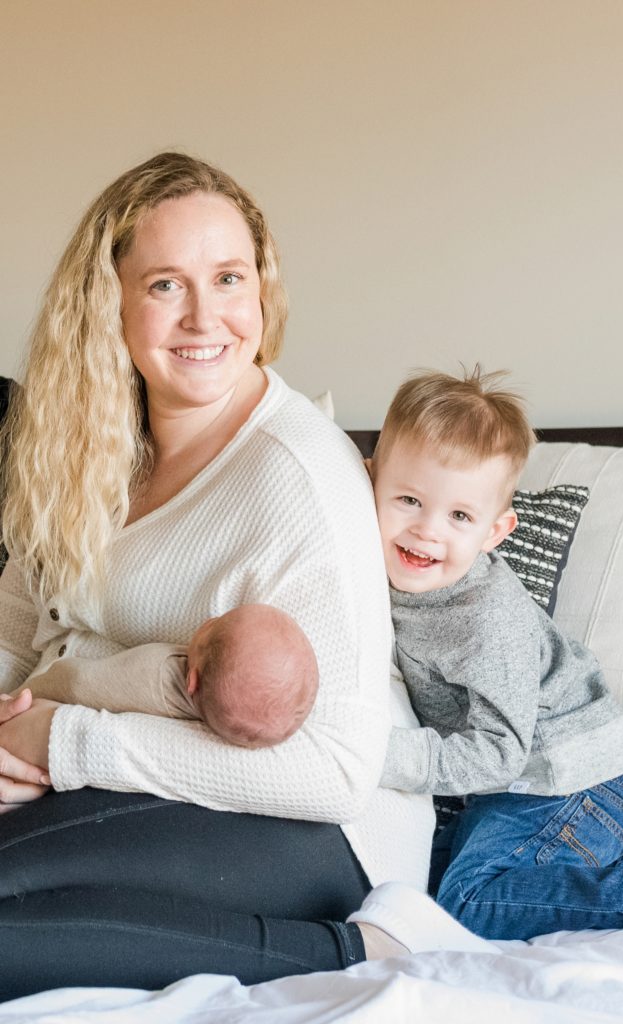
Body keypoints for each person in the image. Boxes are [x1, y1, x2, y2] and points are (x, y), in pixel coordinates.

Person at [0, 151, 439, 1000]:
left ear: (261, 291)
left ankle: (359, 951)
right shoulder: (76, 444)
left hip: (310, 833)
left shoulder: (298, 475)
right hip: (128, 781)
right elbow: (14, 635)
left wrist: (61, 744)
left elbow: (335, 771)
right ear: (107, 301)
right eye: (166, 284)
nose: (205, 317)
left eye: (229, 278)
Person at [367, 368, 623, 939]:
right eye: (409, 499)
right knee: (414, 868)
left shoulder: (487, 620)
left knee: (465, 899)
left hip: (571, 780)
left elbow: (498, 756)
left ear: (495, 532)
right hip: (533, 789)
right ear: (370, 482)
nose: (427, 530)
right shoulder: (373, 566)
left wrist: (373, 754)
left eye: (459, 516)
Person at [15, 604, 320, 748]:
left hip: (34, 709)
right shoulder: (222, 714)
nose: (210, 618)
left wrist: (22, 696)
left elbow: (77, 683)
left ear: (192, 681)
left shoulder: (154, 676)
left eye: (214, 626)